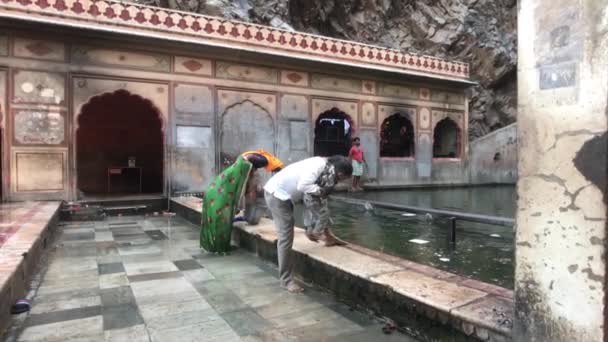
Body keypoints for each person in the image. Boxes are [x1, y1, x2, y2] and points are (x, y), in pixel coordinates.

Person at [264, 155, 352, 293]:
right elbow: (303, 186)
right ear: (340, 173)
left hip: (288, 195)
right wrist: (321, 191)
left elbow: (313, 201)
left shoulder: (326, 167)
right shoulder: (318, 167)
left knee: (321, 206)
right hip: (277, 195)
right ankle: (285, 280)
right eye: (342, 179)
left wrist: (309, 226)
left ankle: (328, 238)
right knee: (286, 237)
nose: (339, 182)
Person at [201, 149, 283, 253]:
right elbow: (247, 190)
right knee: (222, 221)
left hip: (214, 191)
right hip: (219, 195)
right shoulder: (255, 164)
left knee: (218, 220)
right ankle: (220, 247)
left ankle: (214, 246)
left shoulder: (237, 169)